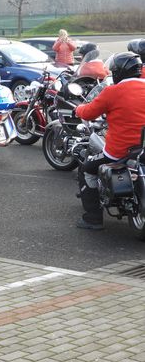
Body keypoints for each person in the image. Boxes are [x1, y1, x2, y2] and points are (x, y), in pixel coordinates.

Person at [74, 52, 145, 230]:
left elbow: (88, 113)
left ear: (119, 72)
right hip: (143, 149)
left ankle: (93, 218)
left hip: (120, 151)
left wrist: (78, 109)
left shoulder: (112, 91)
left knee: (87, 169)